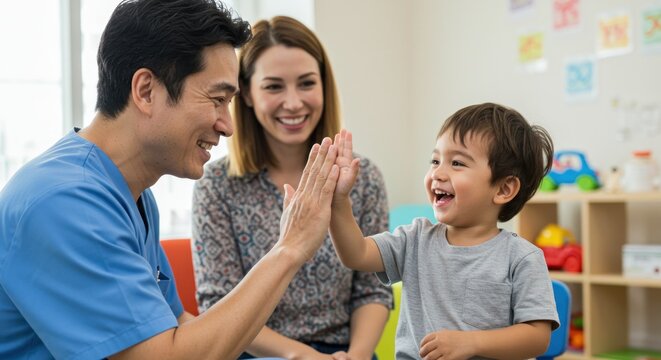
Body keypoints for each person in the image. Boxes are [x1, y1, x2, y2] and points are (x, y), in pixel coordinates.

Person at [0, 1, 342, 359]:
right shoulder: (64, 203)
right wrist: (290, 248)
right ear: (146, 90)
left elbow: (179, 325)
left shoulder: (130, 194)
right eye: (216, 99)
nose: (227, 124)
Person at [192, 16, 392, 360]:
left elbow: (373, 291)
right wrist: (301, 356)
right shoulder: (216, 186)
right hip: (254, 353)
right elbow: (218, 305)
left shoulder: (363, 177)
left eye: (306, 83)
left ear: (324, 87)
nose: (294, 102)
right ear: (248, 95)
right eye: (273, 87)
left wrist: (357, 356)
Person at [328, 103, 560, 360]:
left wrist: (472, 343)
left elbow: (538, 337)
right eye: (435, 160)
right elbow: (356, 253)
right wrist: (339, 202)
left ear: (504, 189)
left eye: (457, 163)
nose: (438, 172)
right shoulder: (414, 239)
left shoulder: (521, 258)